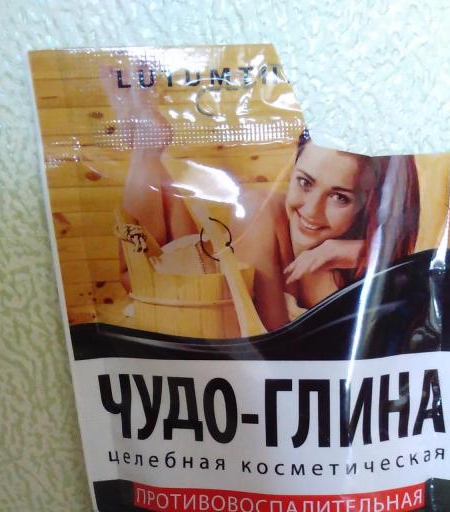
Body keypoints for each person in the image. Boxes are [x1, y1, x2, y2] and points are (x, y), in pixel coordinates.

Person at [101, 70, 419, 331]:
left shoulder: (362, 252)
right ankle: (144, 143)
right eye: (304, 182)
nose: (311, 211)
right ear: (293, 168)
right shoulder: (262, 211)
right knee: (141, 273)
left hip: (207, 281)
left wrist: (357, 252)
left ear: (369, 204)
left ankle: (142, 135)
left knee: (165, 249)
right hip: (202, 289)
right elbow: (270, 343)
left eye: (339, 197)